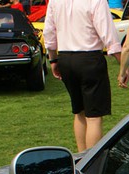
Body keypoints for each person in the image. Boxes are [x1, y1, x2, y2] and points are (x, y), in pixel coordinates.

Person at [43, 0, 122, 152]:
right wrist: (122, 63)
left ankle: (81, 156)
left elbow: (49, 32)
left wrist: (53, 59)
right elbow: (107, 32)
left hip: (65, 58)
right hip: (89, 58)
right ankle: (91, 159)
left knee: (79, 112)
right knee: (94, 117)